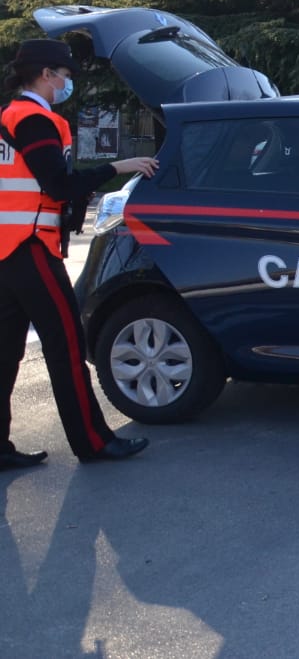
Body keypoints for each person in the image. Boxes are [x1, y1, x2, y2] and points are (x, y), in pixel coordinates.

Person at [1, 38, 158, 469]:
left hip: (6, 251)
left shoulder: (8, 117)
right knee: (67, 345)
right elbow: (57, 185)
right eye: (66, 76)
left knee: (4, 351)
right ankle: (93, 442)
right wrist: (118, 168)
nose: (68, 84)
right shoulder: (33, 119)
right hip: (30, 247)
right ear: (47, 74)